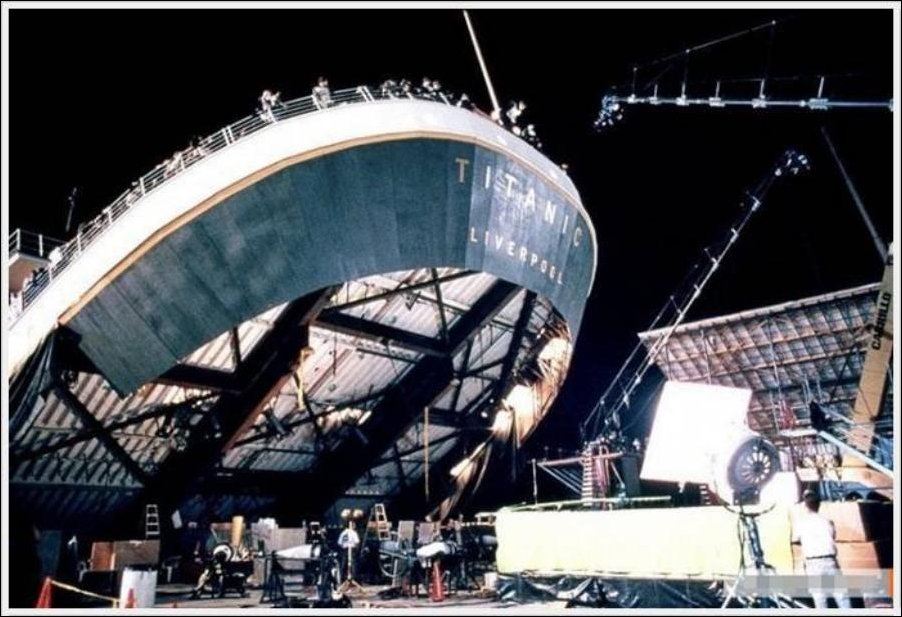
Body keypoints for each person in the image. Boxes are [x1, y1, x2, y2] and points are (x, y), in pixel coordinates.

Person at [792, 489, 852, 608]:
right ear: (819, 504)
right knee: (842, 596)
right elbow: (833, 536)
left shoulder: (801, 523)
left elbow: (795, 539)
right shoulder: (828, 522)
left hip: (813, 563)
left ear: (805, 505)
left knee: (820, 598)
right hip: (830, 561)